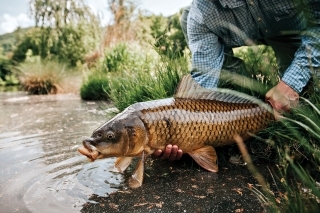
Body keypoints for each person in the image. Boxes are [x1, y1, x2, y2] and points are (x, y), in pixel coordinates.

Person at [153, 0, 320, 160]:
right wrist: (183, 133)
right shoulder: (201, 14)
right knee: (188, 16)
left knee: (307, 96)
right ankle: (245, 95)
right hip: (239, 28)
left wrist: (292, 83)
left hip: (295, 29)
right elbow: (204, 82)